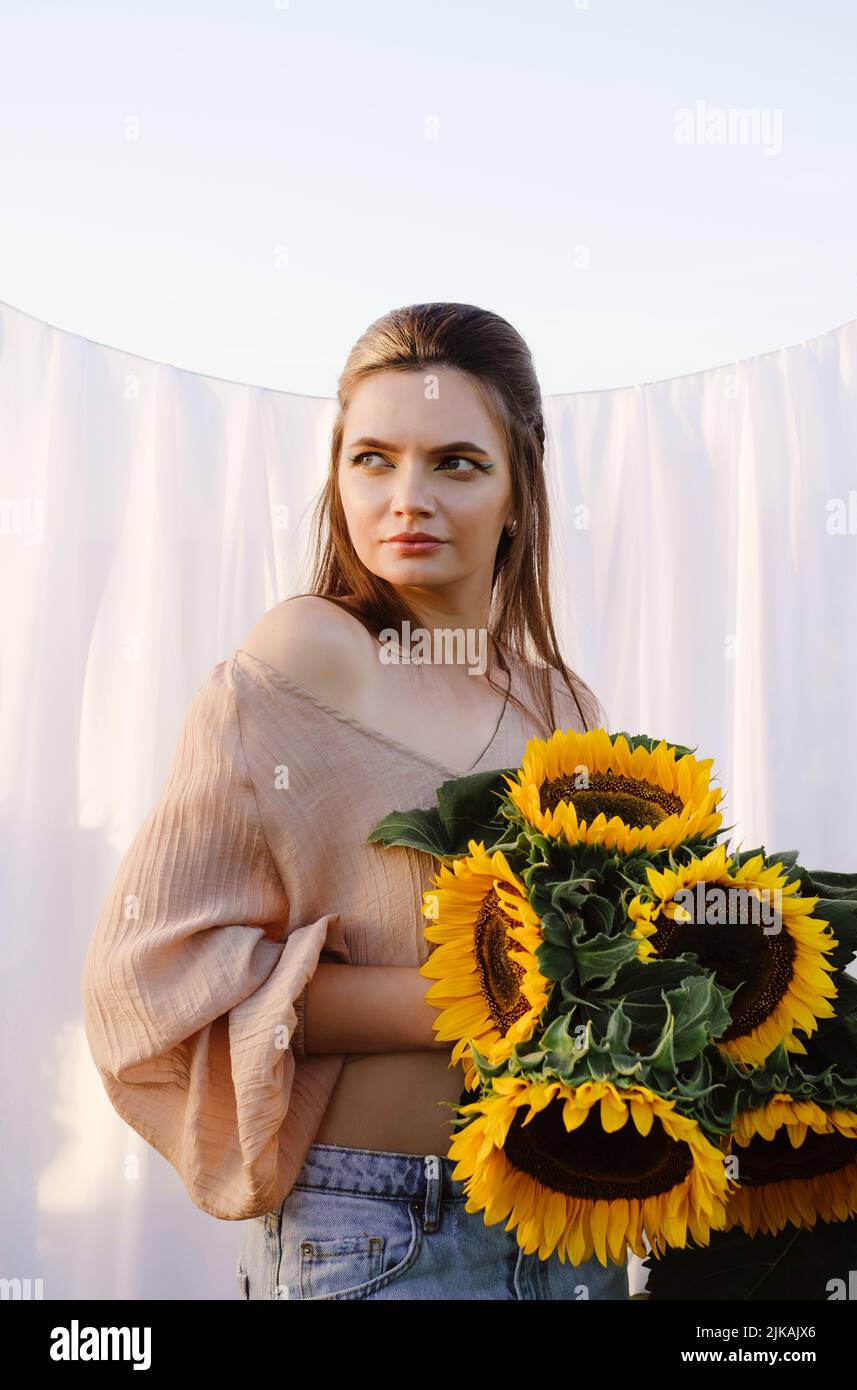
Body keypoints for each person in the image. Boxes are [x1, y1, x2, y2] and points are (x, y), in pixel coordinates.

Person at [82, 302, 631, 1300]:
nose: (405, 497)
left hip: (569, 1220)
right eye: (371, 458)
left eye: (454, 463)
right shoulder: (308, 654)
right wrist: (487, 1003)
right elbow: (154, 973)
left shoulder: (563, 706)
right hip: (384, 1234)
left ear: (518, 492)